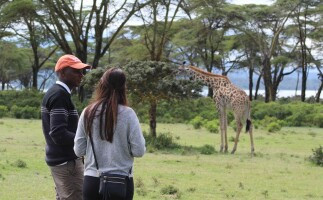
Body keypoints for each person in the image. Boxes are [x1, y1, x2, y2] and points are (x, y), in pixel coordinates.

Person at [74, 67, 146, 200]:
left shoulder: (87, 112)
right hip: (121, 182)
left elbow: (79, 150)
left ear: (102, 85)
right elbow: (139, 151)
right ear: (123, 87)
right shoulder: (129, 114)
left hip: (92, 180)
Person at [41, 54, 91, 200]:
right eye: (76, 71)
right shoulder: (59, 95)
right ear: (62, 73)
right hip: (66, 162)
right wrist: (86, 140)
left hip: (63, 159)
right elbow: (58, 133)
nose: (81, 75)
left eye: (81, 71)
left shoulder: (60, 93)